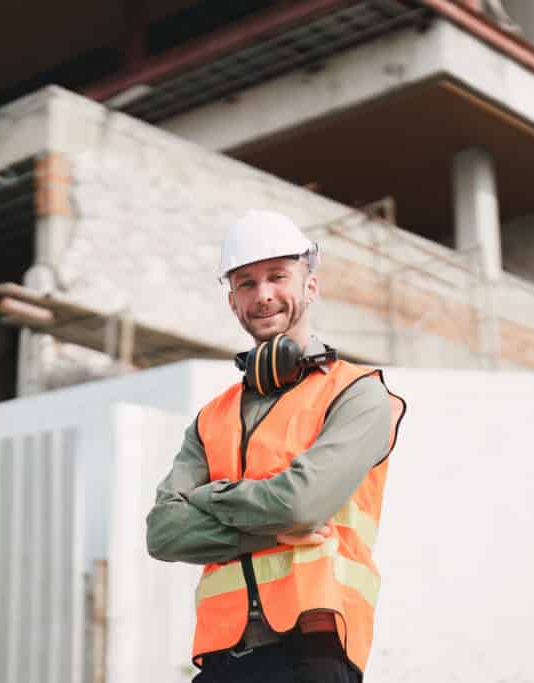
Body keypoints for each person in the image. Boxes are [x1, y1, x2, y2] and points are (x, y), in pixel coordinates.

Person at [146, 210, 406, 682]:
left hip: (313, 653)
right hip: (224, 658)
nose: (262, 294)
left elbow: (301, 506)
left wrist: (208, 497)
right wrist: (264, 533)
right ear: (232, 302)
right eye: (246, 283)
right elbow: (163, 533)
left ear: (310, 286)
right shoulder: (212, 417)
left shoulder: (356, 392)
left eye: (277, 277)